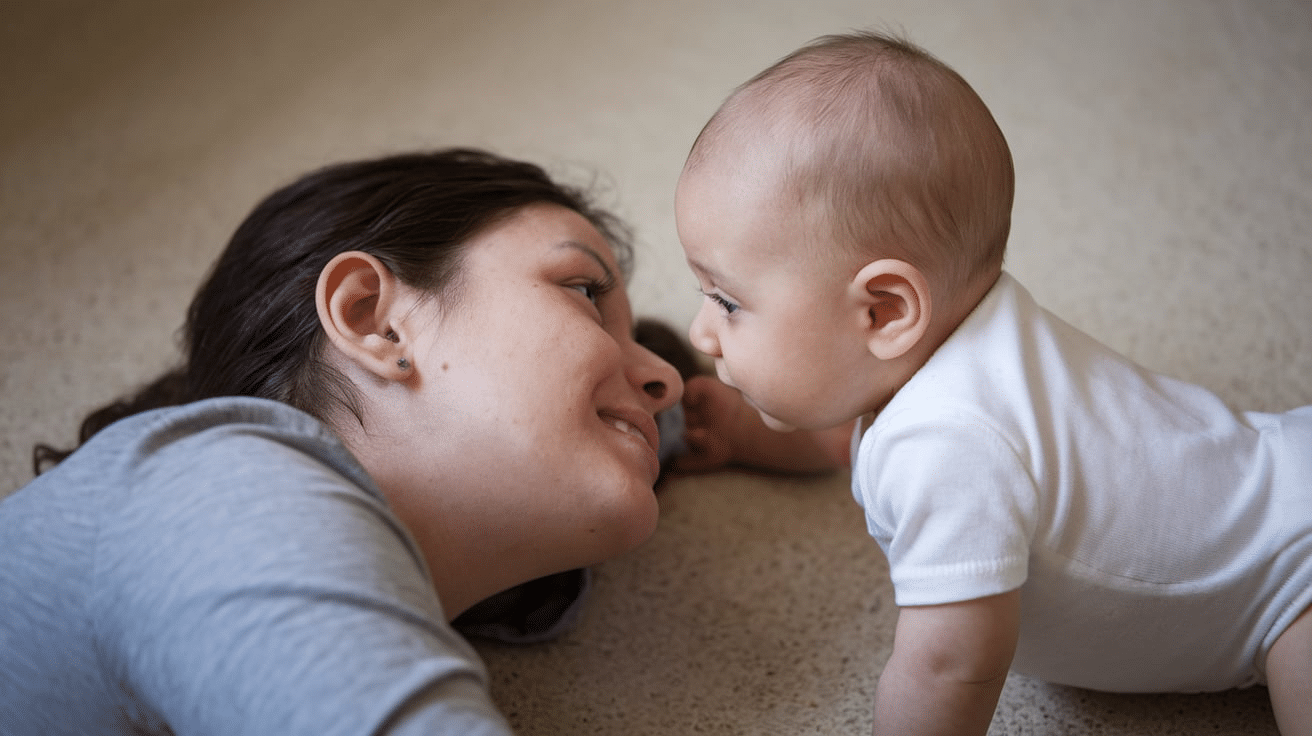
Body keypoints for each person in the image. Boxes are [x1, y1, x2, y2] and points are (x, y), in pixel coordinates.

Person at [1, 147, 833, 735]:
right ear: (375, 319)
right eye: (582, 290)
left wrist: (754, 418)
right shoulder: (221, 485)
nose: (653, 377)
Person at [673, 31, 1312, 736]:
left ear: (885, 311)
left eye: (726, 302)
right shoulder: (952, 339)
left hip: (1291, 576)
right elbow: (840, 439)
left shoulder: (949, 448)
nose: (702, 334)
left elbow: (950, 667)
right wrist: (743, 432)